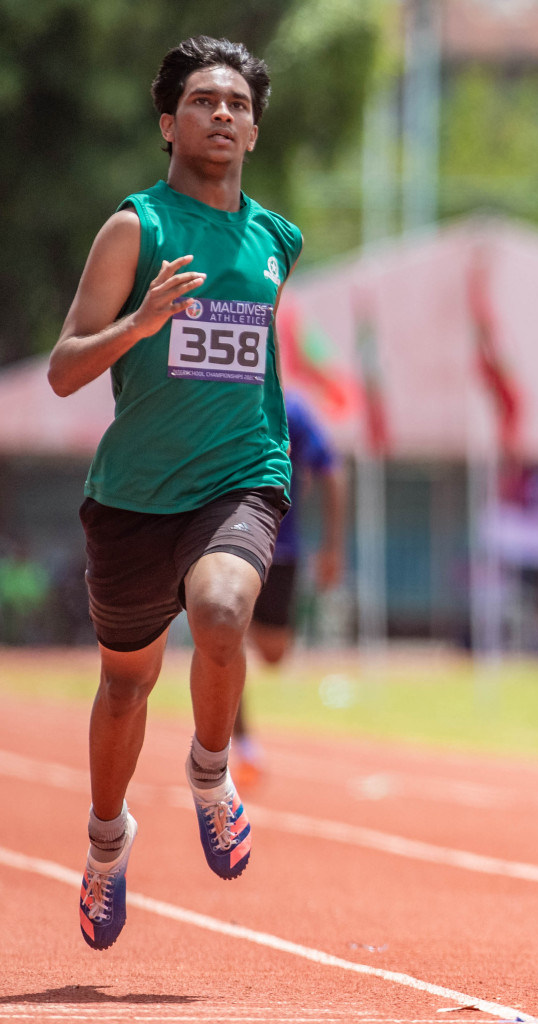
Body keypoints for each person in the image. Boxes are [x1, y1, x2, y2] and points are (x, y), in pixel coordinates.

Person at [48, 36, 300, 951]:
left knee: (226, 609)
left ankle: (209, 775)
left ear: (255, 129)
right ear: (168, 123)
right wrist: (143, 320)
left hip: (239, 478)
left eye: (237, 103)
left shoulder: (278, 239)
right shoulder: (136, 228)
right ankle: (107, 844)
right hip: (131, 498)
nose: (222, 114)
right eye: (202, 101)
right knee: (125, 685)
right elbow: (65, 369)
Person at [234, 393, 345, 789]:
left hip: (282, 547)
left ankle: (229, 636)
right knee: (222, 641)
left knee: (273, 653)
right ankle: (241, 746)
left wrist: (332, 546)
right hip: (224, 539)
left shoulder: (293, 410)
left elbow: (331, 470)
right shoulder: (220, 396)